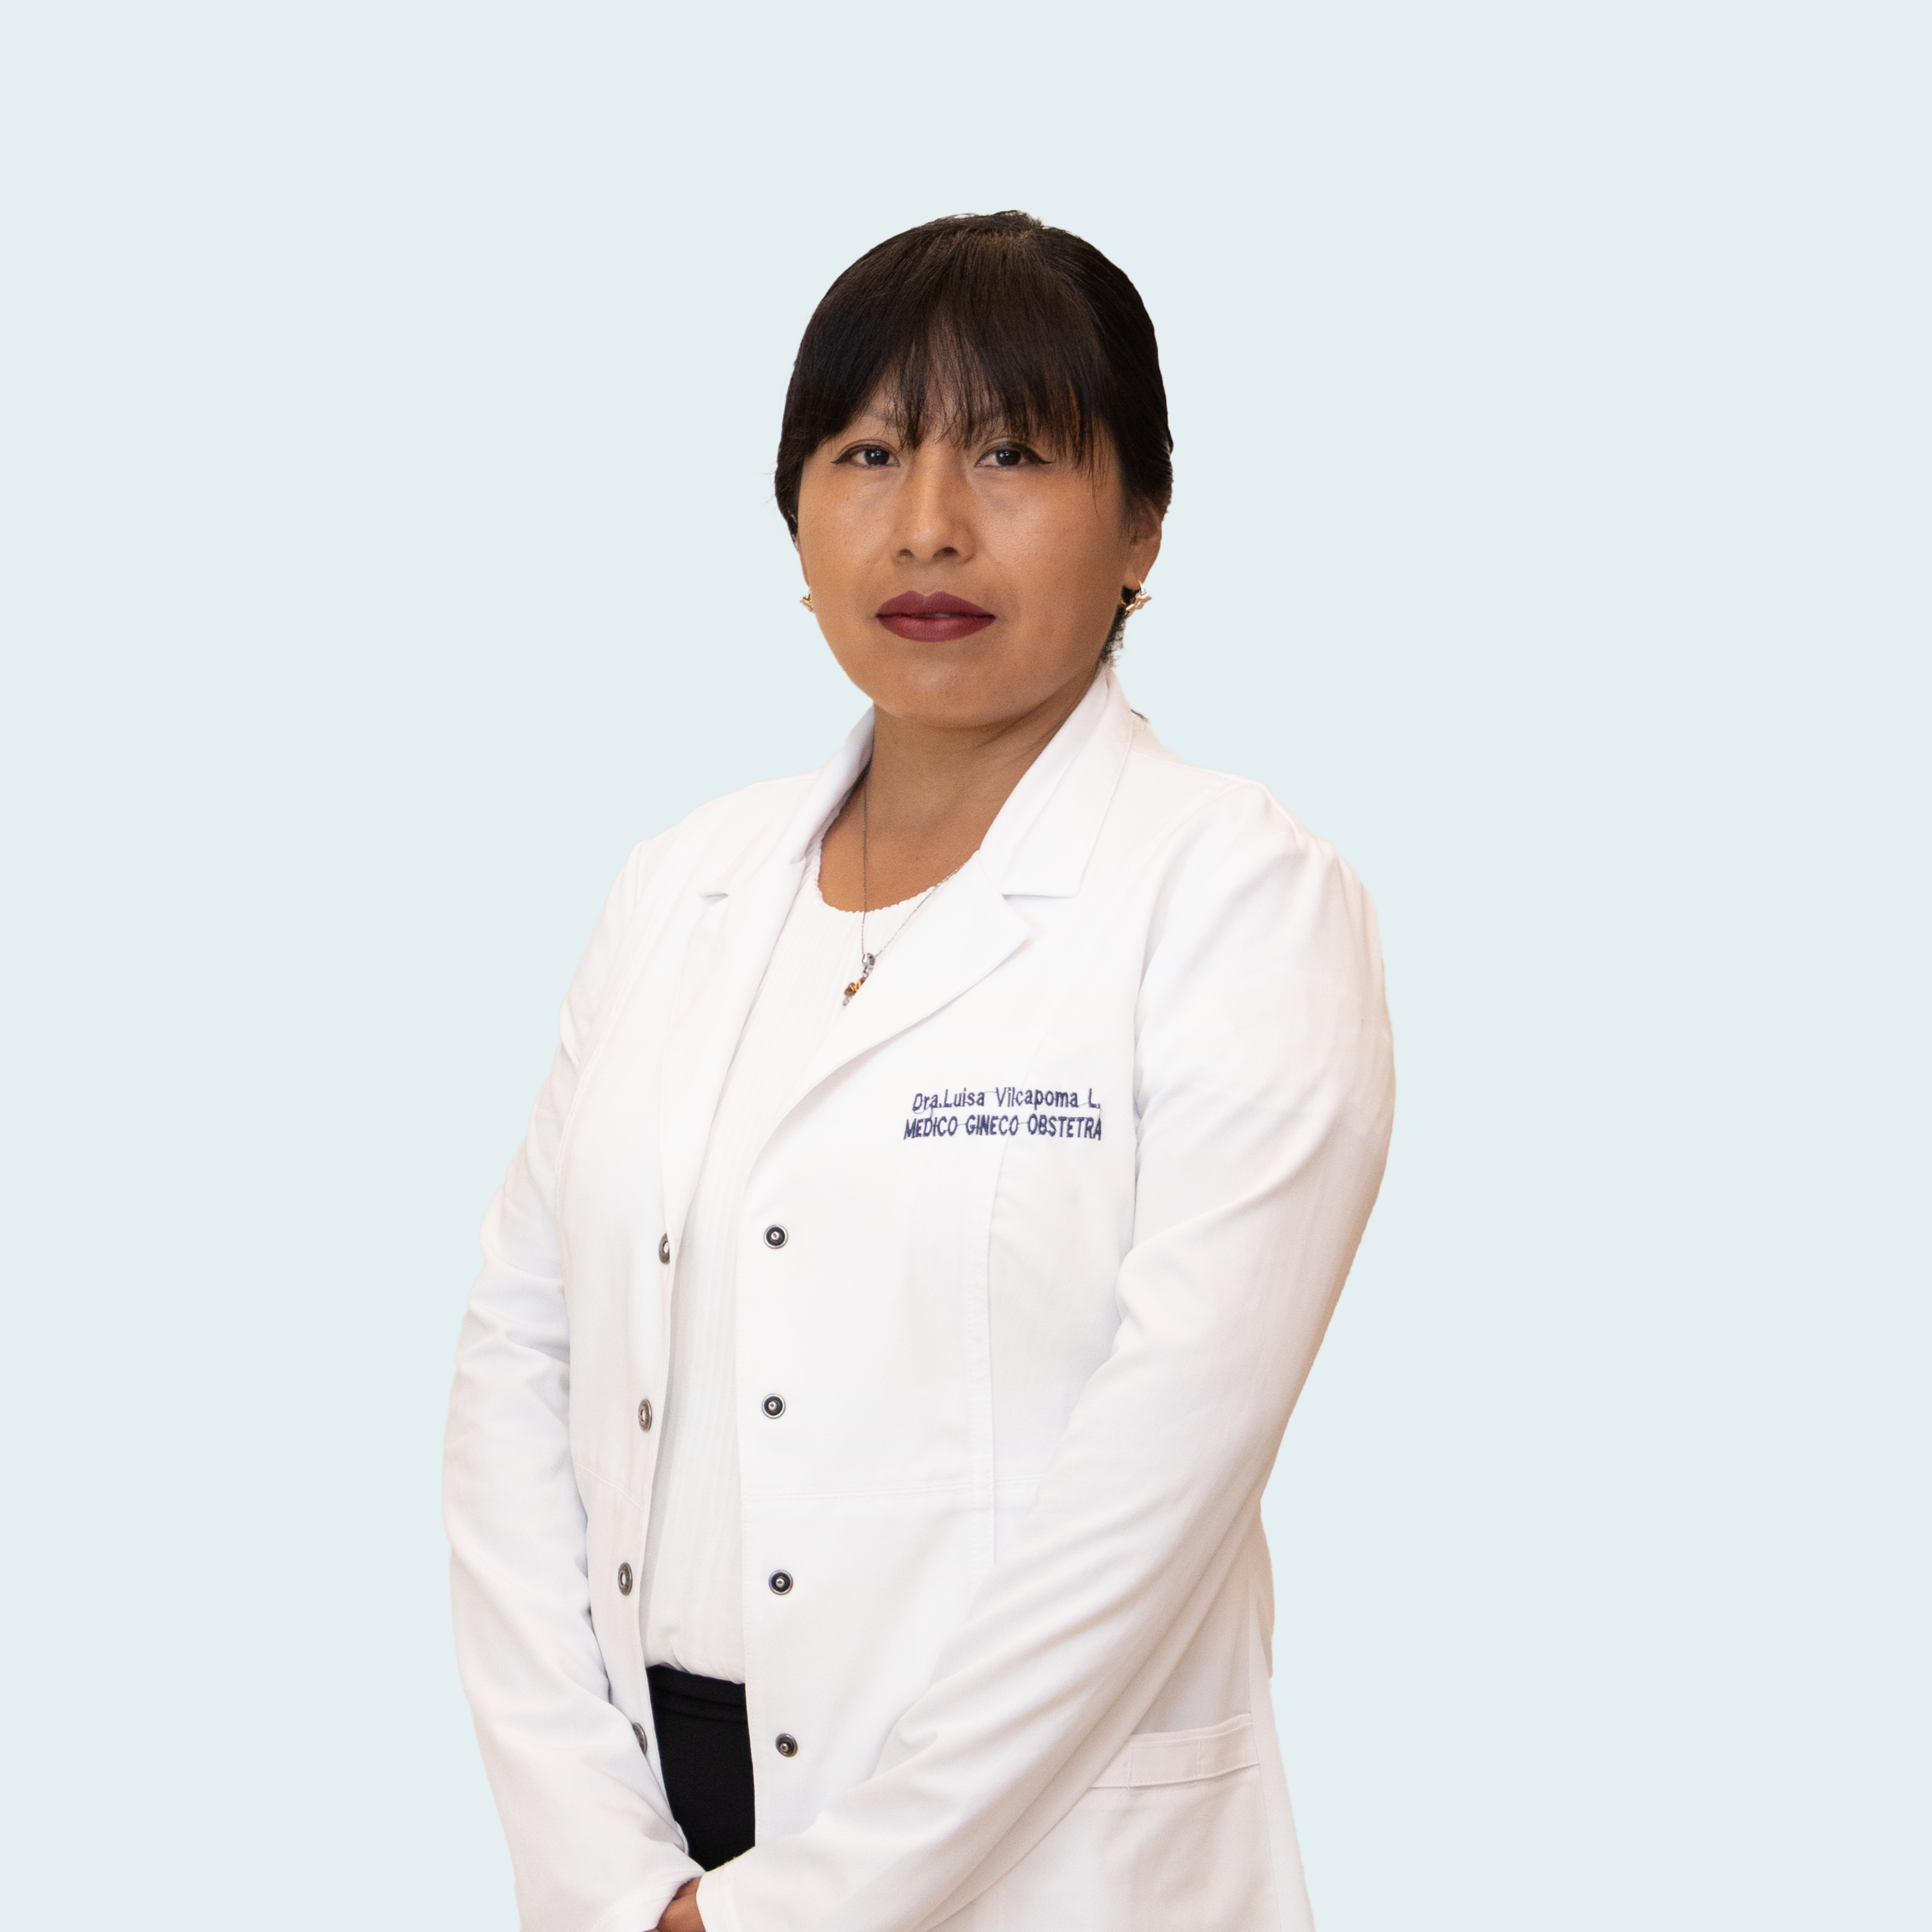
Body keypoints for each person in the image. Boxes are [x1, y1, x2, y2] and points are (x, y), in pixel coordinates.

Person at [443, 210, 1395, 1932]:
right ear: (796, 514)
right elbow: (519, 1365)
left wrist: (798, 1912)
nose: (929, 523)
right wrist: (607, 1879)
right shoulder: (679, 884)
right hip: (653, 1840)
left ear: (1145, 525)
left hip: (1046, 1868)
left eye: (1012, 453)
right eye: (869, 453)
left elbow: (1154, 1495)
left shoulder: (1238, 899)